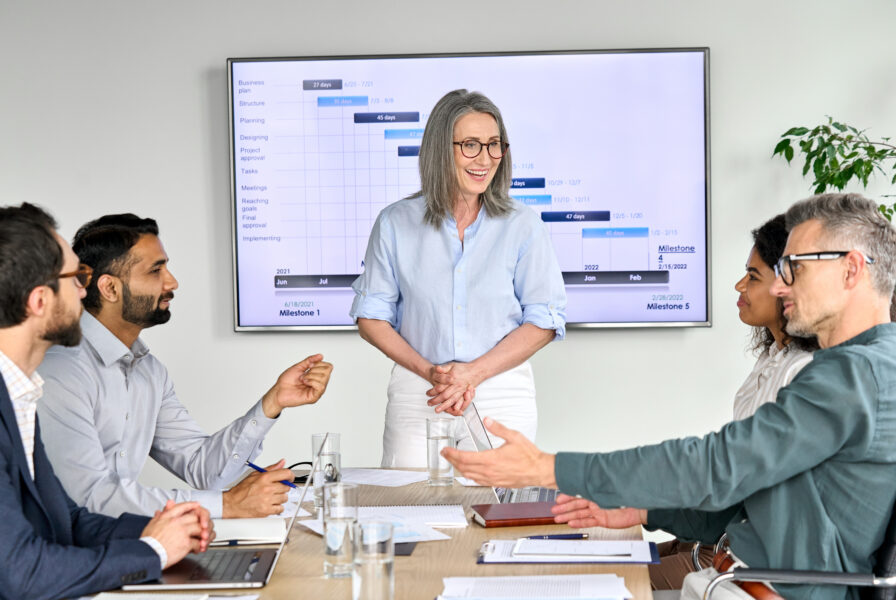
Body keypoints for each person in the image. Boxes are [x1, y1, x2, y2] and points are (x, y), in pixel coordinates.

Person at [444, 193, 896, 600]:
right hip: (734, 579)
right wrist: (643, 508)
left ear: (852, 268)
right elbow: (752, 493)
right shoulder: (863, 364)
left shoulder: (856, 375)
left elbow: (718, 464)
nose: (780, 286)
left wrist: (550, 467)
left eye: (794, 268)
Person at [37, 213, 333, 519]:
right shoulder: (61, 369)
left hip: (121, 543)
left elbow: (204, 470)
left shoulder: (149, 372)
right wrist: (228, 505)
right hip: (71, 554)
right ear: (110, 288)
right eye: (155, 271)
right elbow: (87, 497)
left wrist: (273, 402)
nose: (172, 282)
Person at [0, 203, 212, 599]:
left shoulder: (19, 394)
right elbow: (20, 573)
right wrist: (153, 551)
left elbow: (70, 520)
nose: (86, 289)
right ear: (39, 300)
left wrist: (167, 527)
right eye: (75, 277)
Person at [350, 89, 566, 467]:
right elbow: (371, 316)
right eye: (470, 145)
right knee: (408, 509)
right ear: (439, 149)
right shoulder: (394, 222)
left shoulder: (523, 225)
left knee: (501, 514)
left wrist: (473, 374)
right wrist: (432, 372)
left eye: (494, 145)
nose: (485, 159)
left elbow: (545, 320)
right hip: (421, 389)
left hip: (500, 389)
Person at [651, 213, 819, 590]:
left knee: (610, 574)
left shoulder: (806, 374)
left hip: (747, 562)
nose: (739, 285)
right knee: (606, 551)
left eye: (753, 277)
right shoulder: (776, 356)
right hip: (726, 540)